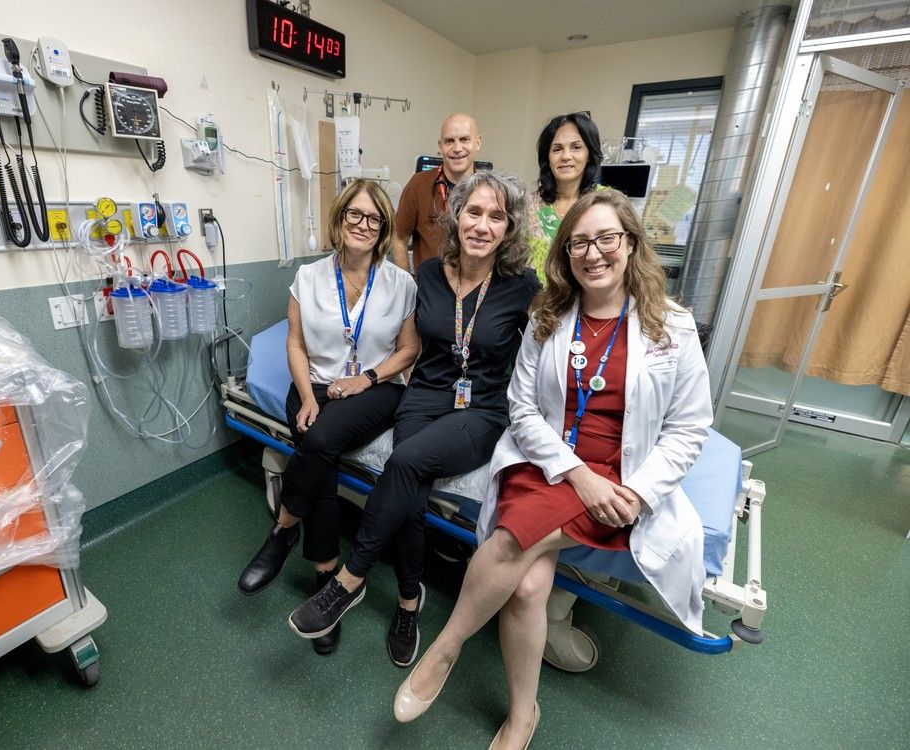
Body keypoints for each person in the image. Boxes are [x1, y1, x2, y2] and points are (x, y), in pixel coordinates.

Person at [393, 189, 712, 749]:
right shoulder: (549, 317)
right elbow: (521, 407)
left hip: (622, 477)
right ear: (565, 255)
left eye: (606, 238)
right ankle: (521, 715)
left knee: (516, 558)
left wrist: (636, 491)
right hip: (547, 463)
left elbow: (688, 429)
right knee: (527, 587)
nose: (593, 253)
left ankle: (447, 650)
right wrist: (576, 474)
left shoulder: (674, 327)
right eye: (579, 243)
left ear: (630, 244)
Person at [288, 171, 541, 668]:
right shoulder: (426, 275)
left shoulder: (522, 286)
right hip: (423, 397)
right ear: (456, 216)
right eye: (473, 212)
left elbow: (551, 347)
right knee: (410, 497)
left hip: (481, 410)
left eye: (496, 217)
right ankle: (409, 603)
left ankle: (348, 581)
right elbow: (405, 343)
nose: (482, 225)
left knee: (402, 461)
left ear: (508, 228)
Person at [236, 179, 418, 656]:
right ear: (339, 220)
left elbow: (410, 350)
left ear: (382, 230)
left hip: (375, 389)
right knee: (320, 451)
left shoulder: (401, 283)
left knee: (317, 443)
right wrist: (306, 394)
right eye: (354, 215)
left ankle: (282, 530)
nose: (362, 225)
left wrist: (368, 379)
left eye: (373, 219)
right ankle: (327, 585)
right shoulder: (309, 277)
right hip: (312, 385)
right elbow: (294, 343)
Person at [393, 113, 483, 273]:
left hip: (475, 291)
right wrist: (408, 286)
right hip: (429, 292)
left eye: (464, 139)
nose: (457, 148)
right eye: (449, 141)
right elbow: (399, 238)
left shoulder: (490, 190)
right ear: (440, 146)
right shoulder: (418, 184)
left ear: (477, 143)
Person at [528, 112, 603, 285]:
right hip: (537, 306)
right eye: (557, 149)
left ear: (589, 153)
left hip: (588, 306)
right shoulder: (528, 206)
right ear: (547, 156)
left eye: (576, 147)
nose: (566, 156)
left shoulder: (607, 204)